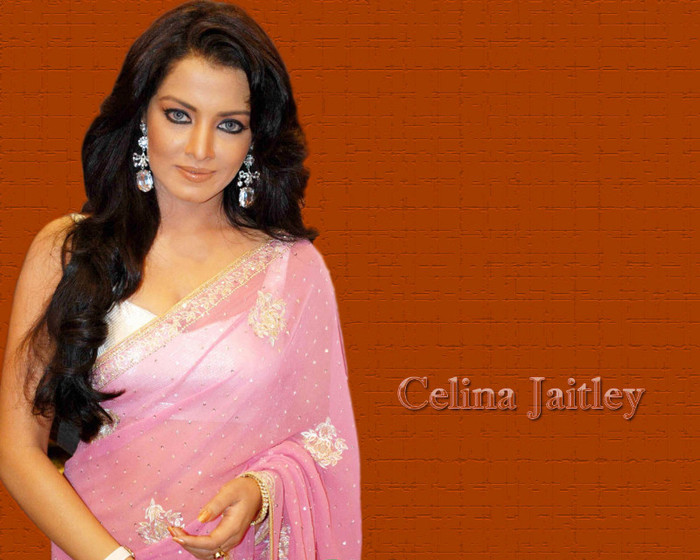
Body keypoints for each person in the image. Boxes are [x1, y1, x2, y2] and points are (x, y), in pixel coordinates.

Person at [0, 1, 361, 559]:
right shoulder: (69, 251)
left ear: (255, 139)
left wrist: (261, 492)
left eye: (229, 125)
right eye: (179, 115)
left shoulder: (292, 269)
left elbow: (323, 440)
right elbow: (17, 449)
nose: (200, 149)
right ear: (141, 116)